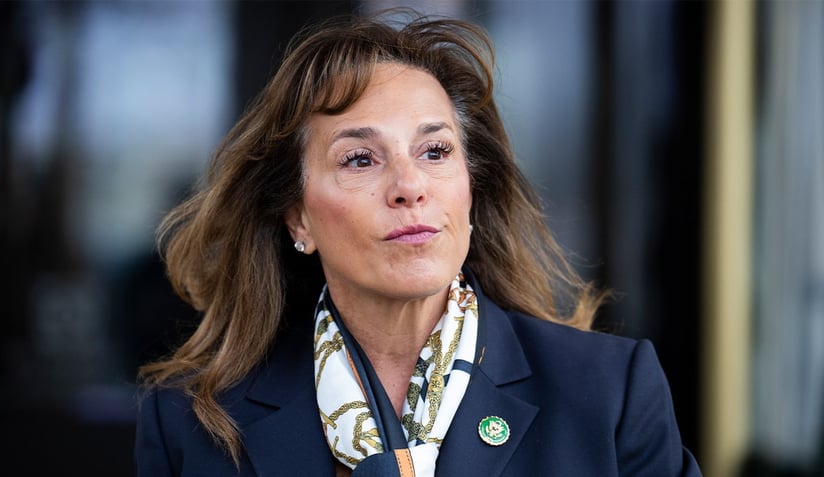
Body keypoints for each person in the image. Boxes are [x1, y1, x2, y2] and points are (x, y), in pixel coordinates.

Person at [135, 12, 701, 477]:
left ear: (471, 189)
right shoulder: (191, 421)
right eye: (360, 159)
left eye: (435, 152)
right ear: (297, 218)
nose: (410, 187)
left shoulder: (609, 393)